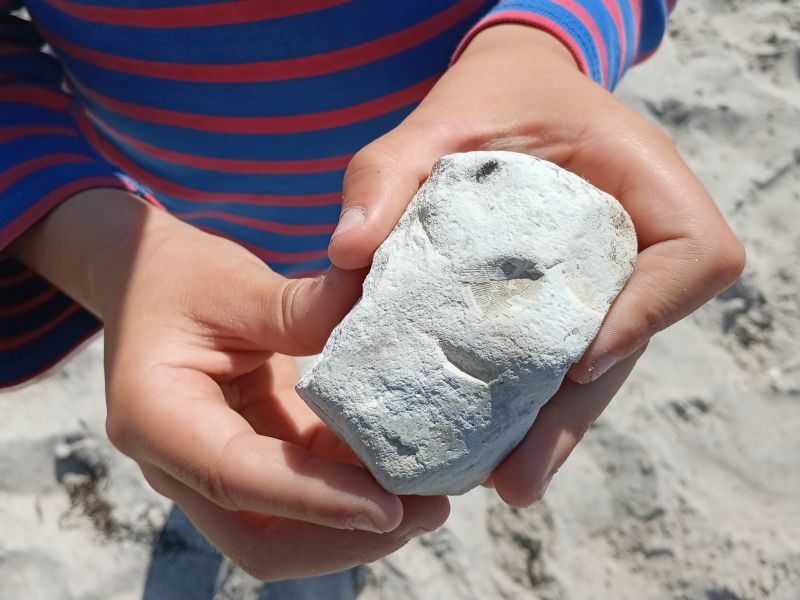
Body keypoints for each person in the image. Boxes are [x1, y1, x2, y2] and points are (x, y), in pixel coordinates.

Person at [1, 0, 743, 581]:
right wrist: (100, 245)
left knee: (310, 413)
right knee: (265, 369)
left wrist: (539, 38)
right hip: (185, 221)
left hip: (457, 162)